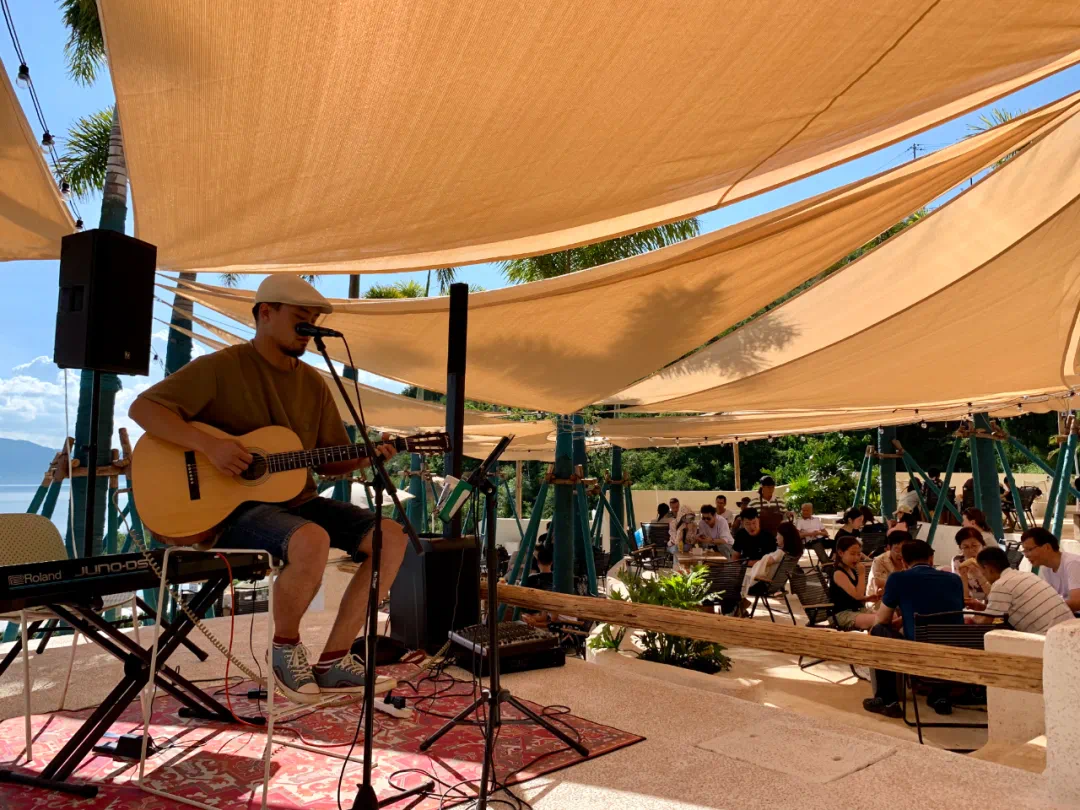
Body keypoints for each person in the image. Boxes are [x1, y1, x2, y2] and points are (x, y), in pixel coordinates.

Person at [129, 275, 405, 704]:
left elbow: (329, 461)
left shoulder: (313, 383)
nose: (309, 328)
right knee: (311, 539)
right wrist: (211, 446)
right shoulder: (221, 368)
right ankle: (285, 650)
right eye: (300, 318)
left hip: (296, 501)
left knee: (391, 537)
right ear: (265, 313)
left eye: (313, 320)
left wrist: (369, 455)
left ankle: (334, 660)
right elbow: (143, 408)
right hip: (229, 512)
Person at [863, 539, 964, 718]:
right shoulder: (955, 579)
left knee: (879, 630)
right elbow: (941, 610)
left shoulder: (898, 578)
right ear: (931, 559)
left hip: (918, 652)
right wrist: (905, 618)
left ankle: (887, 700)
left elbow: (883, 619)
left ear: (903, 561)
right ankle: (940, 696)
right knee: (940, 633)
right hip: (952, 653)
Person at [969, 546, 1075, 633]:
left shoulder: (1001, 585)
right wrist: (983, 608)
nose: (983, 575)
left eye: (982, 571)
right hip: (1072, 629)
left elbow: (987, 623)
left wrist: (972, 619)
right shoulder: (1026, 575)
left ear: (988, 569)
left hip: (1049, 638)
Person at [1020, 527, 1080, 611]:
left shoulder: (1073, 563)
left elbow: (1077, 602)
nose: (1026, 555)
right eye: (1024, 551)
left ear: (1047, 547)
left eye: (1029, 549)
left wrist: (1043, 609)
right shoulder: (1046, 568)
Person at [829, 536, 879, 629]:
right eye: (852, 554)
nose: (856, 558)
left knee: (891, 616)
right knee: (879, 620)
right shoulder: (838, 573)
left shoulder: (850, 569)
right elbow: (858, 595)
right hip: (841, 614)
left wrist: (867, 599)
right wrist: (862, 574)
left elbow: (853, 597)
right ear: (841, 553)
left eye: (858, 554)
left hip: (857, 610)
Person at [743, 522, 803, 599]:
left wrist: (763, 559)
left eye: (778, 534)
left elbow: (766, 563)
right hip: (775, 586)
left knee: (739, 582)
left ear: (784, 537)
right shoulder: (791, 554)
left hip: (763, 586)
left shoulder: (780, 553)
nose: (776, 537)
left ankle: (741, 604)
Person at [951, 527, 991, 607]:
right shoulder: (958, 561)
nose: (971, 550)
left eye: (974, 545)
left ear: (982, 545)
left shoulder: (990, 561)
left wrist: (979, 576)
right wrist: (964, 578)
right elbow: (964, 598)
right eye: (966, 547)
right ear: (960, 548)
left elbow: (994, 595)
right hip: (970, 604)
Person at [868, 530, 910, 596]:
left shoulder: (911, 560)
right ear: (889, 547)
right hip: (879, 600)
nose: (901, 554)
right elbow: (878, 589)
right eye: (897, 549)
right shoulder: (879, 561)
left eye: (904, 550)